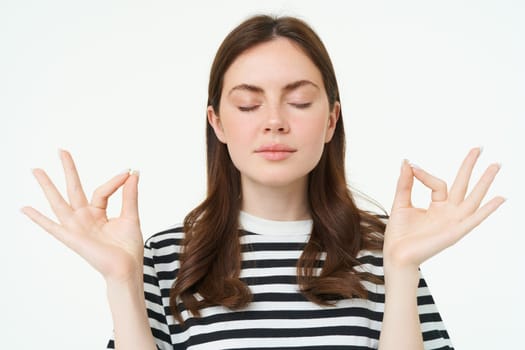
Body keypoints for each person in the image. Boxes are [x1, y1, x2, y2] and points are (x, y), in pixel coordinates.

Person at [21, 14, 504, 350]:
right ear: (217, 124)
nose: (273, 121)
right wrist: (121, 281)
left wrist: (401, 267)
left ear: (332, 120)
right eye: (249, 104)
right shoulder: (165, 259)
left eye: (298, 101)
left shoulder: (392, 248)